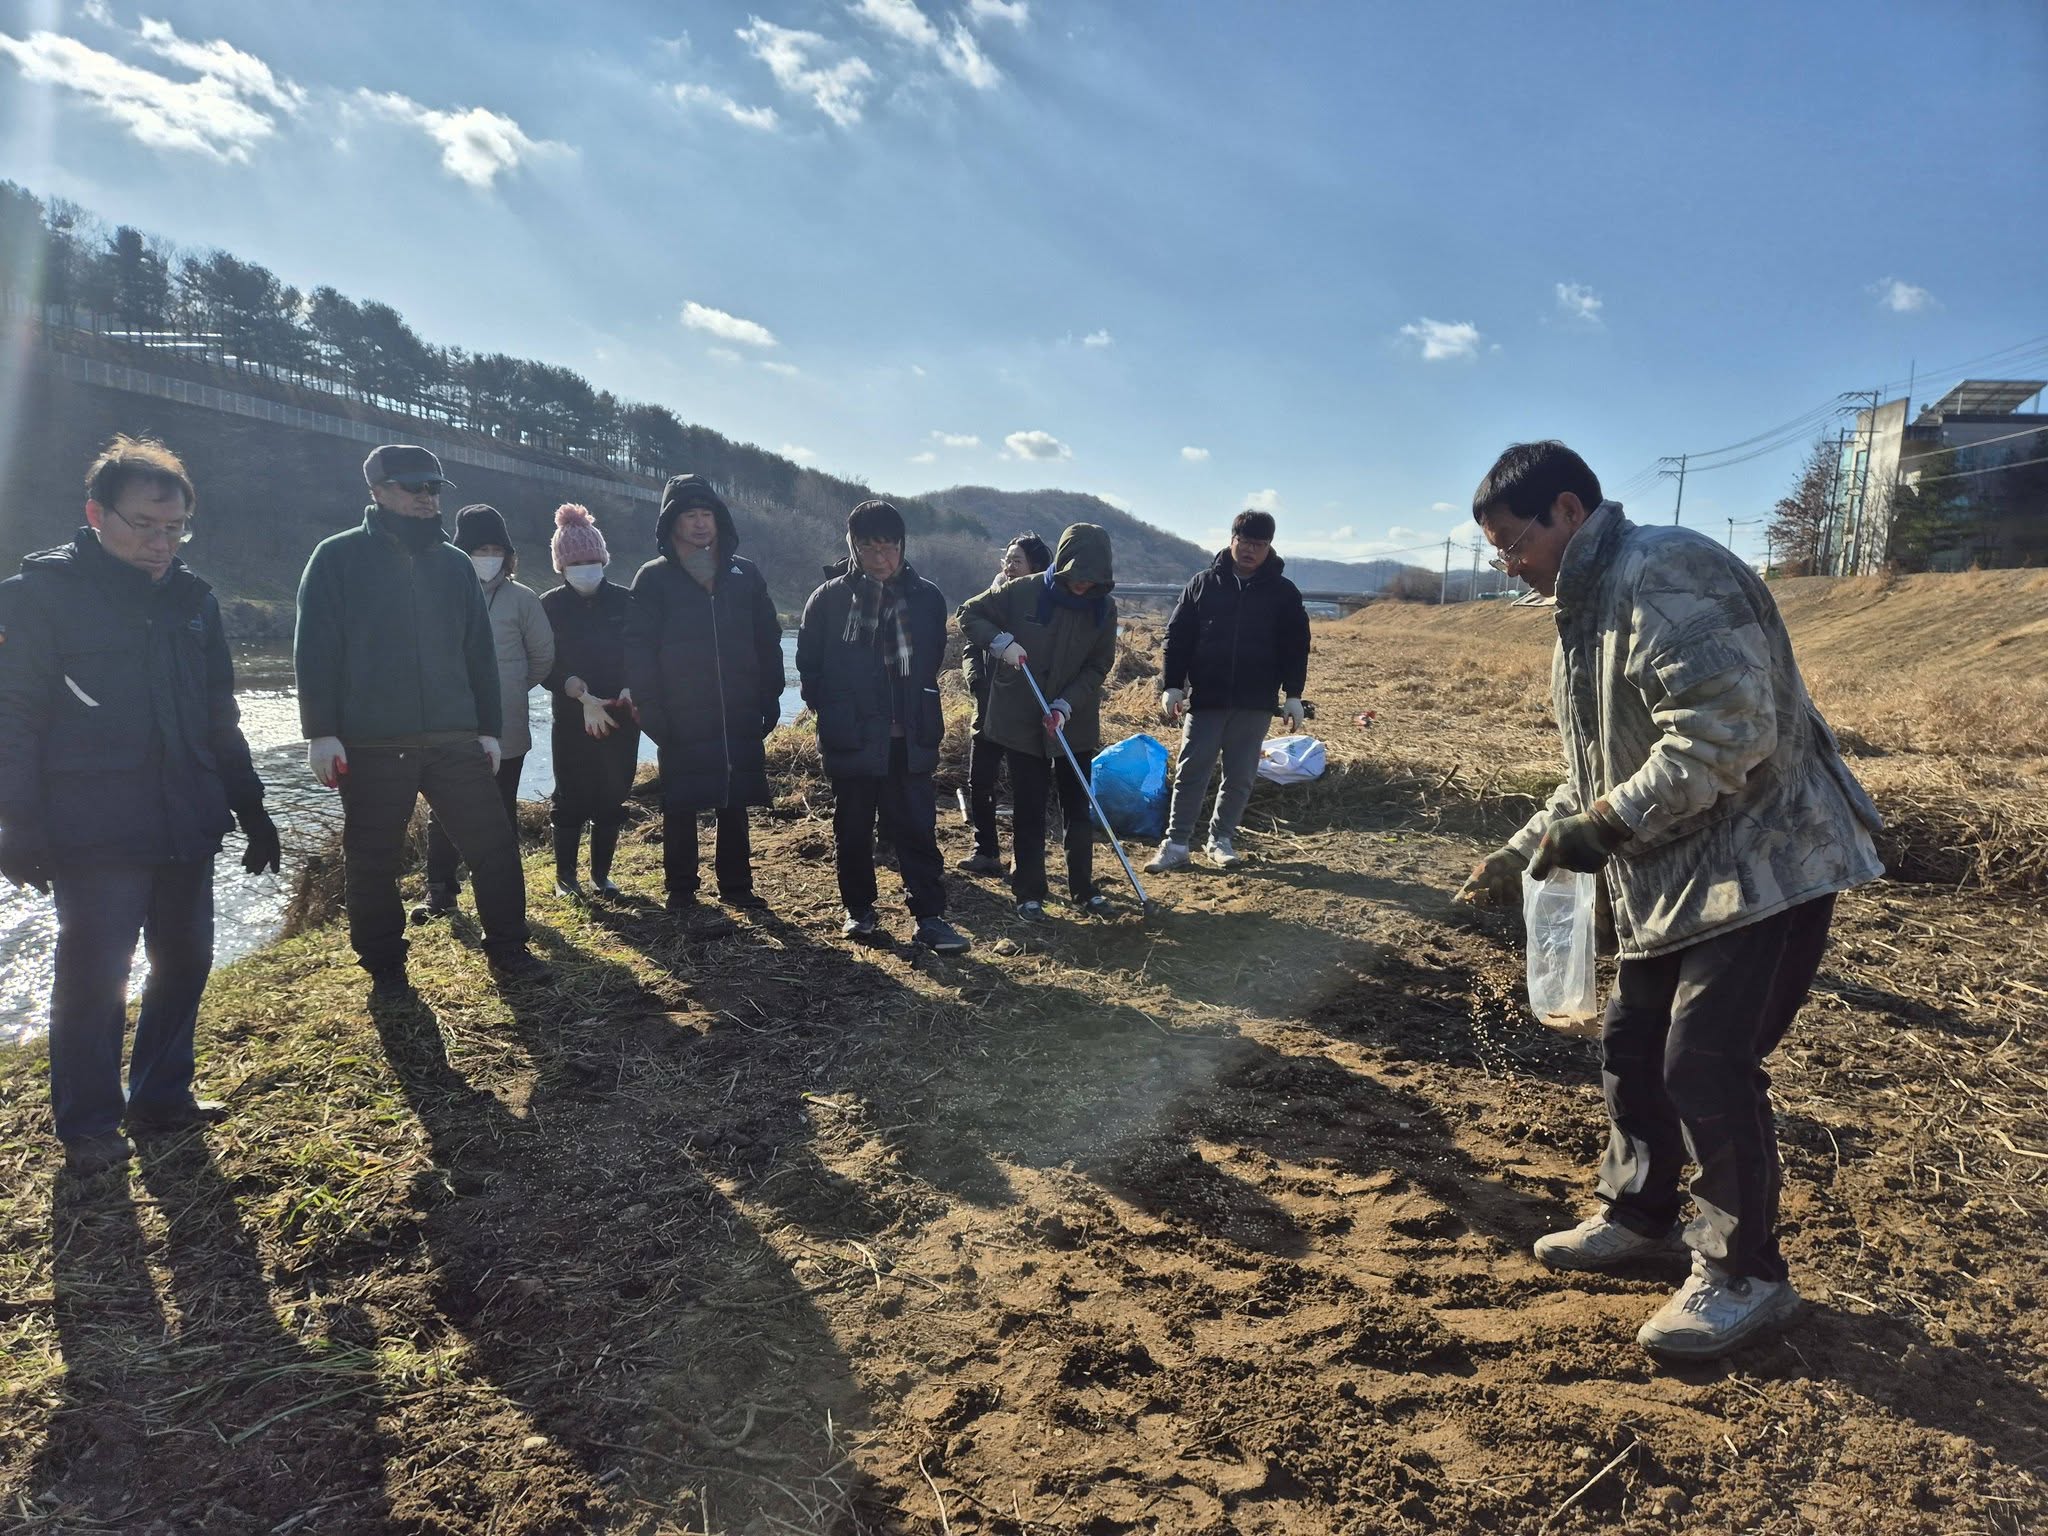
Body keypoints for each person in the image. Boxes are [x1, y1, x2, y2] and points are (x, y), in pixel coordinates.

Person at [1454, 440, 1884, 1362]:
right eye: (1494, 549)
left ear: (1567, 511)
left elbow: (1724, 738)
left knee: (1707, 1061)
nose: (1508, 564)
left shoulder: (1667, 570)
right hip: (1673, 874)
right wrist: (1524, 847)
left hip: (1762, 863)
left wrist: (1604, 826)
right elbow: (1598, 771)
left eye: (1512, 542)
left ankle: (1745, 1272)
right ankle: (1642, 1214)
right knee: (1631, 1045)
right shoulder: (1580, 611)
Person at [0, 436, 280, 1173]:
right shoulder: (36, 598)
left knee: (185, 960)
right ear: (96, 512)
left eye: (175, 528)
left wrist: (251, 807)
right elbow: (14, 715)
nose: (161, 543)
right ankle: (88, 1125)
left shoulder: (194, 601)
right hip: (92, 824)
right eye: (144, 525)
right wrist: (15, 820)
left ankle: (161, 1095)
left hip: (185, 814)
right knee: (95, 974)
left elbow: (221, 713)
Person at [294, 444, 549, 993]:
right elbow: (315, 650)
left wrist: (486, 727)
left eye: (433, 487)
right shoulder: (336, 558)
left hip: (455, 737)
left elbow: (478, 652)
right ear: (378, 490)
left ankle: (509, 948)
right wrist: (320, 731)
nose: (426, 497)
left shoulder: (454, 565)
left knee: (494, 847)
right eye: (413, 487)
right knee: (372, 858)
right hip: (371, 741)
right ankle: (385, 967)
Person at [796, 500, 969, 953]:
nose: (880, 558)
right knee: (852, 830)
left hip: (910, 735)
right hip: (851, 736)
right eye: (868, 547)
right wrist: (835, 711)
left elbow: (930, 659)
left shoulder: (927, 596)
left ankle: (930, 918)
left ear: (902, 545)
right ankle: (859, 911)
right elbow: (809, 669)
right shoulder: (829, 598)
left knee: (917, 829)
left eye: (889, 546)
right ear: (852, 547)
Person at [623, 475, 783, 922]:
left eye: (706, 514)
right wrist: (650, 709)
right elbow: (637, 648)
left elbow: (767, 638)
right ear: (672, 523)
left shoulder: (743, 573)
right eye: (689, 515)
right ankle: (681, 890)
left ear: (719, 520)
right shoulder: (653, 578)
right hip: (679, 709)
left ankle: (737, 886)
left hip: (737, 703)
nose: (699, 524)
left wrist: (769, 694)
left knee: (733, 794)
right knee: (681, 798)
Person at [957, 522, 1119, 921]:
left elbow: (1099, 665)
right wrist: (1000, 643)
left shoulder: (1103, 608)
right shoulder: (1022, 591)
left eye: (1092, 579)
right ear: (1063, 565)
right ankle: (1029, 891)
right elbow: (969, 613)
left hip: (1073, 722)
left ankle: (1083, 888)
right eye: (1076, 576)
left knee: (1077, 807)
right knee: (1029, 808)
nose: (1082, 586)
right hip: (1021, 718)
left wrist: (1066, 704)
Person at [1147, 508, 1311, 873]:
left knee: (1239, 776)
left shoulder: (1283, 593)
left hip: (1255, 701)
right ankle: (1175, 843)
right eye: (1244, 541)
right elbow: (1178, 636)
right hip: (1207, 696)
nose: (1250, 550)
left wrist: (1294, 695)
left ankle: (1220, 840)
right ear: (1231, 539)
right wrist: (1172, 684)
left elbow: (1296, 645)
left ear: (1269, 547)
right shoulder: (1203, 583)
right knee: (1191, 772)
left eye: (1260, 543)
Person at [419, 504, 554, 916]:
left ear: (508, 555)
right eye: (480, 548)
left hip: (507, 726)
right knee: (443, 813)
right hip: (450, 725)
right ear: (462, 551)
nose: (488, 557)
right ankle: (439, 890)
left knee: (500, 811)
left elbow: (542, 657)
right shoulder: (438, 593)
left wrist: (509, 688)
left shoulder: (523, 599)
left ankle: (499, 895)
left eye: (497, 548)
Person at [541, 504, 640, 898]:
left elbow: (642, 651)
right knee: (570, 794)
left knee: (613, 792)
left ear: (603, 559)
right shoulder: (548, 605)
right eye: (576, 561)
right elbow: (543, 662)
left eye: (591, 560)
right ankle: (566, 876)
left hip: (621, 712)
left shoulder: (626, 600)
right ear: (562, 566)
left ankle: (602, 875)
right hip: (572, 715)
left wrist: (634, 686)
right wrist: (572, 688)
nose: (585, 567)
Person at [958, 532, 1052, 877]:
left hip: (1024, 710)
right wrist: (976, 681)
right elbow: (972, 647)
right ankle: (986, 851)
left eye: (1017, 561)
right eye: (1007, 560)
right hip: (987, 705)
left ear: (1036, 567)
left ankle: (1025, 860)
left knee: (1027, 786)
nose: (1008, 567)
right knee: (980, 780)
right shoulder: (993, 597)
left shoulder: (1042, 603)